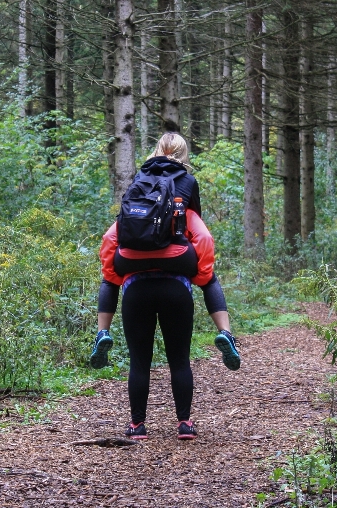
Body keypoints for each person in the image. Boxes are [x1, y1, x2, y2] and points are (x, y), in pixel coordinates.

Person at [89, 133, 240, 440]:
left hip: (134, 286)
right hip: (176, 285)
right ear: (184, 154)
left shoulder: (138, 179)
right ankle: (185, 422)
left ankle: (136, 425)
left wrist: (115, 274)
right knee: (179, 359)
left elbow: (110, 239)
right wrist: (201, 274)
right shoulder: (187, 182)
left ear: (156, 150)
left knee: (139, 360)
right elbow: (203, 237)